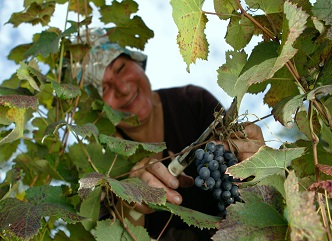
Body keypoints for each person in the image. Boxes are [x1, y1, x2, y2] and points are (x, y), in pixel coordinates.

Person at [83, 28, 265, 241]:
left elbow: (243, 185)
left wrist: (255, 166)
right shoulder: (102, 163)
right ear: (98, 109)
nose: (122, 88)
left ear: (137, 62)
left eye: (121, 68)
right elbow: (115, 235)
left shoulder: (192, 103)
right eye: (104, 88)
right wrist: (126, 201)